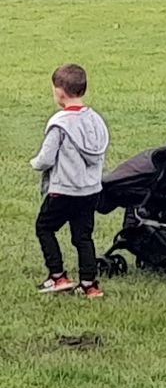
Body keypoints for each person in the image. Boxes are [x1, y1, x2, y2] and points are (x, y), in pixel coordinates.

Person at [31, 64, 110, 299]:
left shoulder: (60, 124)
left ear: (60, 92)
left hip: (63, 190)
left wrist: (34, 163)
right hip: (90, 191)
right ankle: (89, 285)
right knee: (83, 237)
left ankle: (57, 276)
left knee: (44, 228)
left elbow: (46, 159)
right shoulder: (96, 120)